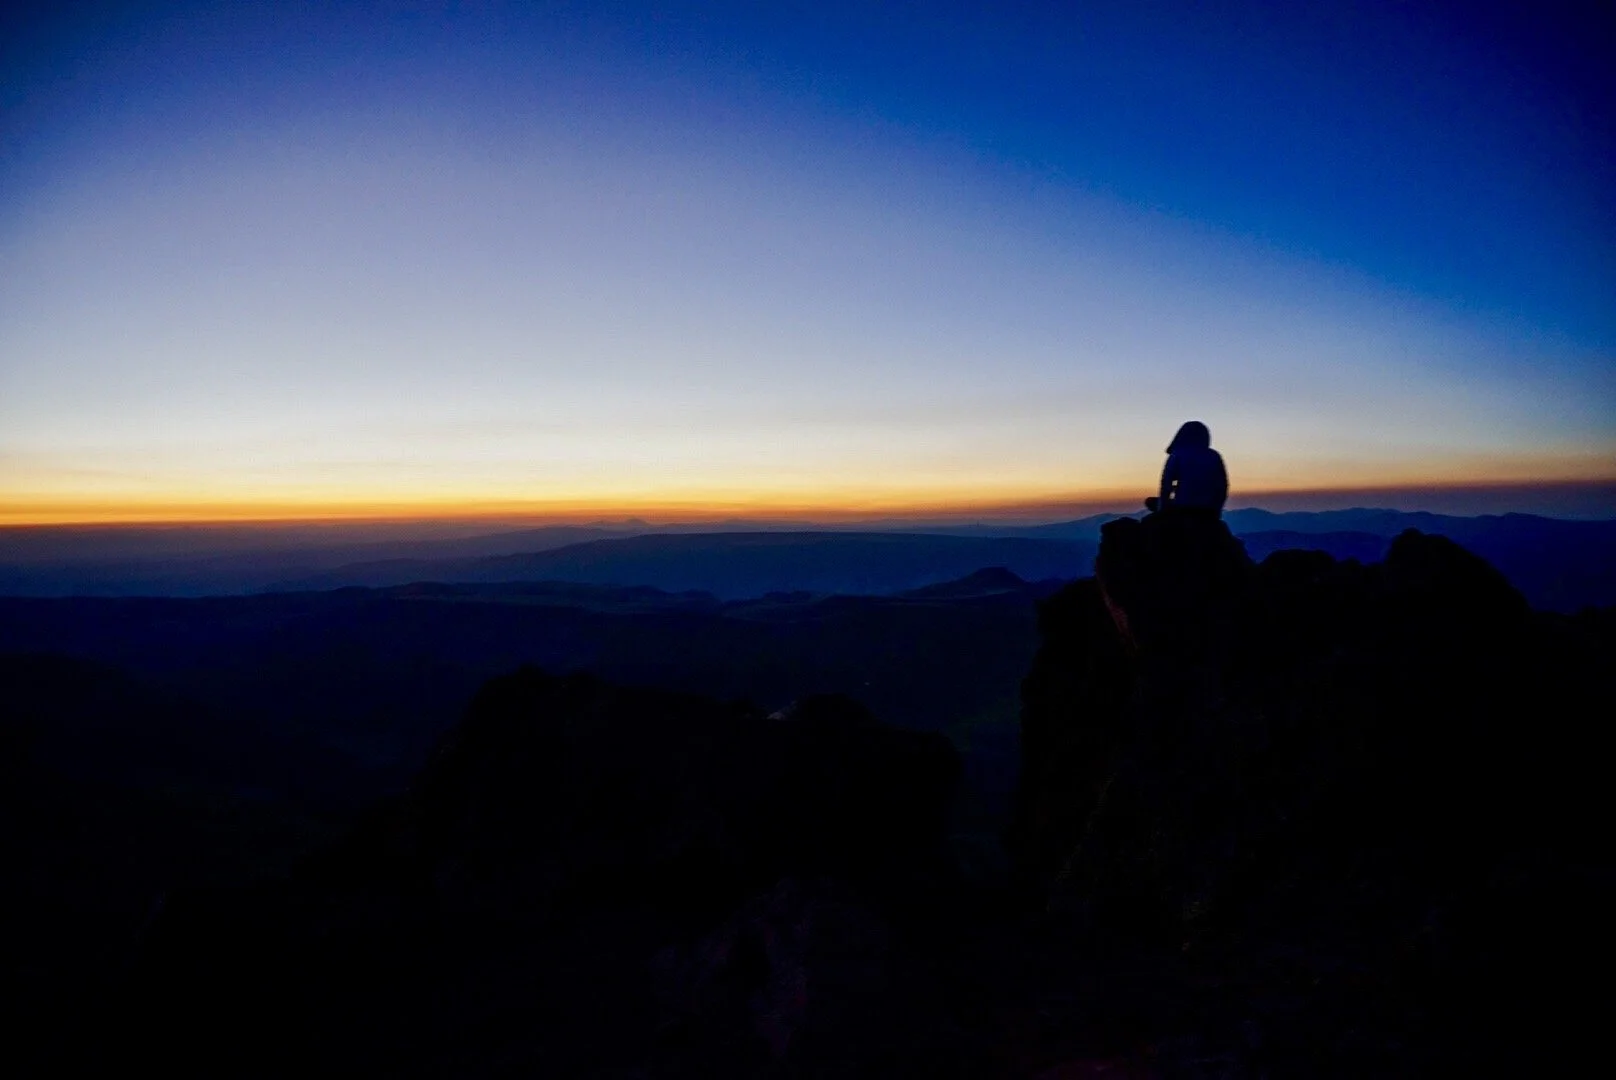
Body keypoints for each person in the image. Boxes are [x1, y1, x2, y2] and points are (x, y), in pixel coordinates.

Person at [1144, 421, 1227, 518]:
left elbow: (1166, 484)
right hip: (1208, 509)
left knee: (1150, 502)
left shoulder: (1177, 454)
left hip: (1183, 507)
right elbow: (1222, 487)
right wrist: (1216, 509)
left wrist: (1163, 510)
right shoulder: (1214, 456)